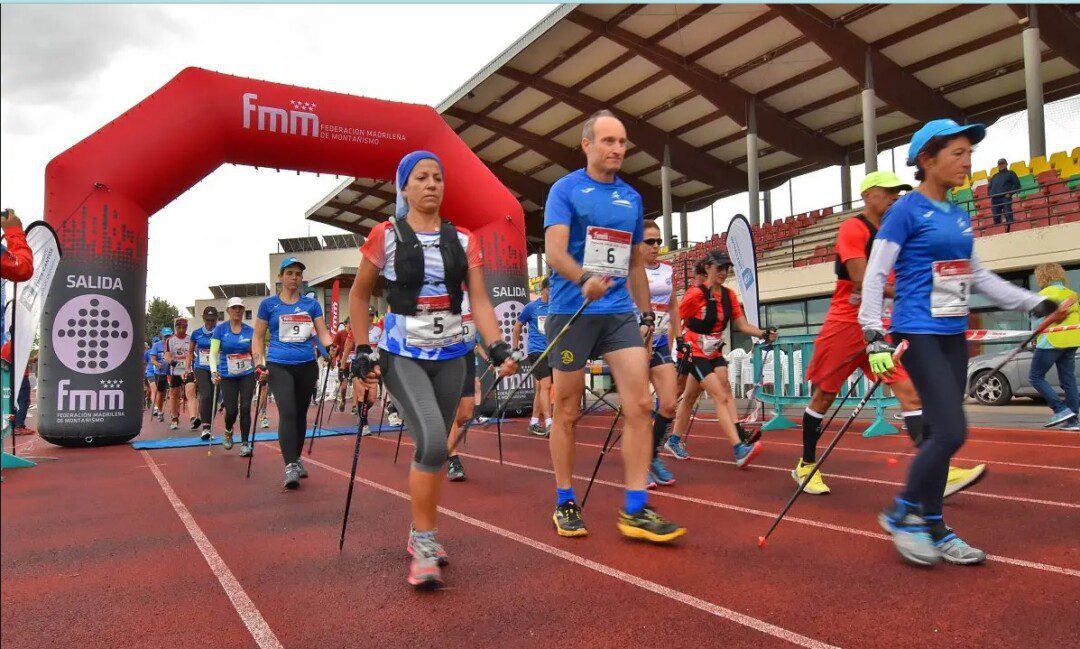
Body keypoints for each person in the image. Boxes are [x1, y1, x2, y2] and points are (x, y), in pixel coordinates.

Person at [859, 119, 1063, 566]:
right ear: (927, 160)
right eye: (957, 153)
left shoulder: (958, 213)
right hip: (918, 330)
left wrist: (1036, 303)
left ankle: (934, 523)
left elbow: (979, 276)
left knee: (937, 433)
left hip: (953, 335)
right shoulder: (906, 210)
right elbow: (875, 273)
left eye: (969, 153)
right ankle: (902, 513)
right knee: (952, 431)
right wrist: (873, 331)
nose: (967, 161)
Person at [349, 150, 518, 589]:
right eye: (421, 178)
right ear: (404, 187)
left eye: (437, 178)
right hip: (403, 352)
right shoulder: (385, 235)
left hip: (451, 352)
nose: (431, 184)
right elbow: (359, 294)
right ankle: (424, 542)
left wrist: (496, 344)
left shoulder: (463, 239)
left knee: (438, 447)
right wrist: (363, 347)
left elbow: (478, 298)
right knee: (429, 440)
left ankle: (418, 531)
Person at [799, 171, 986, 497]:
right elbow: (860, 279)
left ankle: (939, 472)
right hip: (845, 324)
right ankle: (805, 464)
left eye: (899, 193)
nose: (895, 198)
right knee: (824, 396)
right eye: (888, 193)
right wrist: (912, 292)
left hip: (878, 328)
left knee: (910, 392)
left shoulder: (896, 230)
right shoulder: (853, 228)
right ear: (869, 195)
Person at [544, 110, 684, 543]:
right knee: (566, 408)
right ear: (587, 144)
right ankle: (566, 499)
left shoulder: (631, 198)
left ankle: (636, 507)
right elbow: (553, 252)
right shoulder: (564, 190)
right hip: (572, 310)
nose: (618, 149)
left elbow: (636, 263)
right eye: (608, 141)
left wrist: (645, 314)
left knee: (640, 405)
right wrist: (584, 278)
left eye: (622, 142)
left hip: (619, 311)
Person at [674, 251, 776, 469]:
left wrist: (764, 334)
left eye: (726, 268)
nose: (723, 272)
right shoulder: (695, 294)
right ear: (708, 267)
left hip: (714, 352)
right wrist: (677, 341)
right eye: (719, 268)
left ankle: (673, 439)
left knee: (698, 395)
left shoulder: (729, 296)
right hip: (693, 352)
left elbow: (742, 326)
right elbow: (675, 316)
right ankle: (739, 448)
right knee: (716, 395)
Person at [252, 257, 334, 489]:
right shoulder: (269, 305)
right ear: (280, 277)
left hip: (306, 365)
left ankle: (296, 458)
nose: (294, 278)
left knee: (300, 414)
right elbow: (258, 337)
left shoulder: (312, 305)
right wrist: (259, 362)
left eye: (298, 274)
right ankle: (289, 465)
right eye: (289, 273)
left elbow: (322, 332)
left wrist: (330, 347)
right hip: (279, 364)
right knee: (287, 412)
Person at [639, 220, 682, 487]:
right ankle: (639, 464)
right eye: (650, 242)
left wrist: (681, 339)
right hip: (632, 343)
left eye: (658, 241)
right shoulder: (631, 271)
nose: (656, 246)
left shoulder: (668, 270)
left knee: (668, 404)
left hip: (660, 344)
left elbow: (673, 306)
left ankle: (652, 455)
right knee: (640, 407)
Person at [1029, 263, 1079, 430]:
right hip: (1072, 340)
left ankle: (1060, 409)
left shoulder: (1043, 296)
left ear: (1041, 277)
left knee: (1035, 376)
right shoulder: (1072, 294)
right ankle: (1073, 421)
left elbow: (1037, 323)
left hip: (1050, 341)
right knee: (1068, 379)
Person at [211, 297, 257, 456]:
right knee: (231, 411)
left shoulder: (250, 330)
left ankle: (245, 443)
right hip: (227, 375)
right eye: (234, 308)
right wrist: (213, 371)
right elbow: (213, 353)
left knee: (245, 407)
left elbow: (256, 352)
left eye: (240, 308)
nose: (237, 311)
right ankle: (229, 430)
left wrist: (260, 367)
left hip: (247, 374)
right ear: (228, 311)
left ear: (243, 311)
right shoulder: (220, 329)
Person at [513, 277, 552, 437]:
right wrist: (515, 350)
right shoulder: (531, 308)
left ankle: (534, 422)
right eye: (550, 289)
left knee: (541, 388)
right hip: (537, 351)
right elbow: (517, 327)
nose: (553, 292)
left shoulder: (557, 307)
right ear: (543, 289)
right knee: (547, 386)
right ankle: (550, 423)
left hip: (553, 351)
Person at [164, 317, 199, 432]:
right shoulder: (170, 340)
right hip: (175, 371)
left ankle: (193, 417)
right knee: (174, 394)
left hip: (187, 370)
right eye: (179, 327)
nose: (182, 329)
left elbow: (193, 354)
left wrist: (191, 363)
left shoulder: (190, 339)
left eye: (184, 327)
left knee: (190, 391)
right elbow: (167, 355)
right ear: (176, 328)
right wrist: (171, 361)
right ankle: (174, 417)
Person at [191, 306, 218, 437]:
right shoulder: (196, 333)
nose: (210, 323)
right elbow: (190, 352)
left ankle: (208, 423)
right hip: (201, 367)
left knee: (214, 397)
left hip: (216, 367)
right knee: (206, 394)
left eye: (213, 320)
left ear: (217, 319)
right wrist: (187, 368)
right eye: (208, 320)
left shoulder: (221, 332)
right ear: (203, 319)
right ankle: (206, 428)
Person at [987, 158, 1020, 232]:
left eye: (1003, 163)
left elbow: (1017, 185)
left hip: (1005, 197)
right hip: (995, 199)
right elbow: (989, 186)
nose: (1001, 165)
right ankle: (999, 232)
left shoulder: (1011, 173)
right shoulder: (995, 176)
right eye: (1000, 164)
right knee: (996, 217)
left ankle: (1010, 231)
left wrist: (1010, 193)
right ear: (998, 166)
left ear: (1006, 164)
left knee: (1008, 214)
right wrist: (990, 194)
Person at [150, 329, 171, 421]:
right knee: (161, 393)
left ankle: (174, 414)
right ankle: (160, 411)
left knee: (173, 392)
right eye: (165, 336)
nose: (167, 338)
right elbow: (153, 359)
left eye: (169, 335)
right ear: (162, 336)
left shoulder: (173, 344)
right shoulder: (156, 345)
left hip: (172, 372)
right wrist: (157, 364)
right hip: (160, 372)